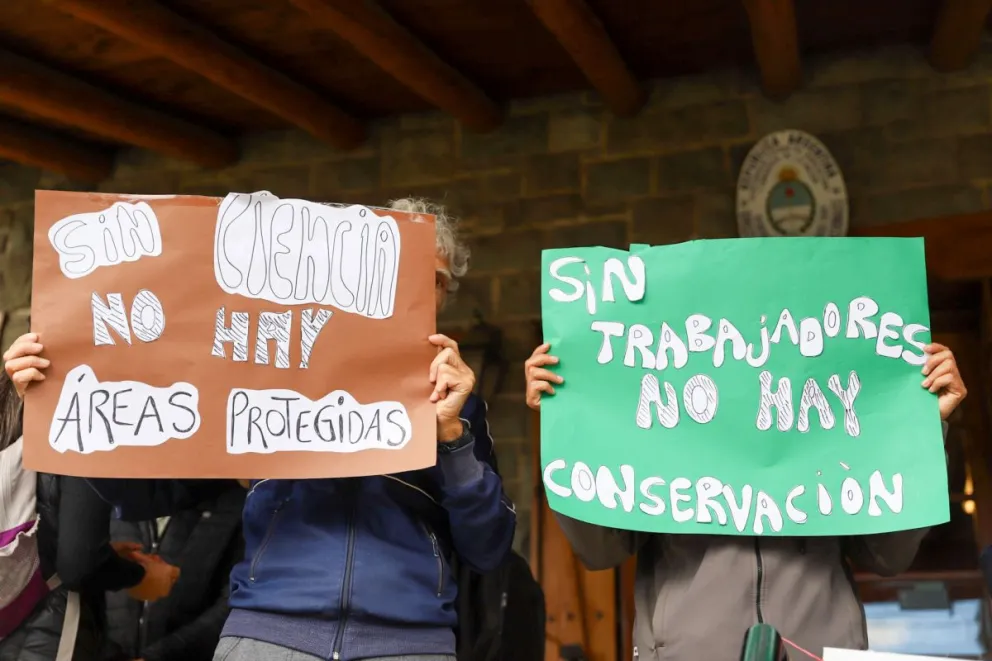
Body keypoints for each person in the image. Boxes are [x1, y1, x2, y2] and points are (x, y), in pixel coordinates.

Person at [5, 198, 517, 661]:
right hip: (269, 635)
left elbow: (488, 549)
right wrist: (58, 400)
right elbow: (144, 495)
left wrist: (453, 439)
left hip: (410, 642)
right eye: (401, 270)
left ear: (446, 295)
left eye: (433, 280)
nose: (416, 289)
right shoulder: (267, 372)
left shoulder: (460, 405)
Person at [525, 340, 967, 660]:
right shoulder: (660, 425)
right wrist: (567, 429)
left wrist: (924, 432)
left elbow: (888, 555)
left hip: (820, 649)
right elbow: (600, 548)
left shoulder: (827, 427)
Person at [0, 369, 179, 661]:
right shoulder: (88, 403)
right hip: (48, 628)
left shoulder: (12, 399)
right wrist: (140, 576)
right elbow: (79, 563)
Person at [101, 481, 245, 661]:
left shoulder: (236, 504)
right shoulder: (109, 494)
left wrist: (159, 656)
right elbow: (83, 581)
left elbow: (235, 601)